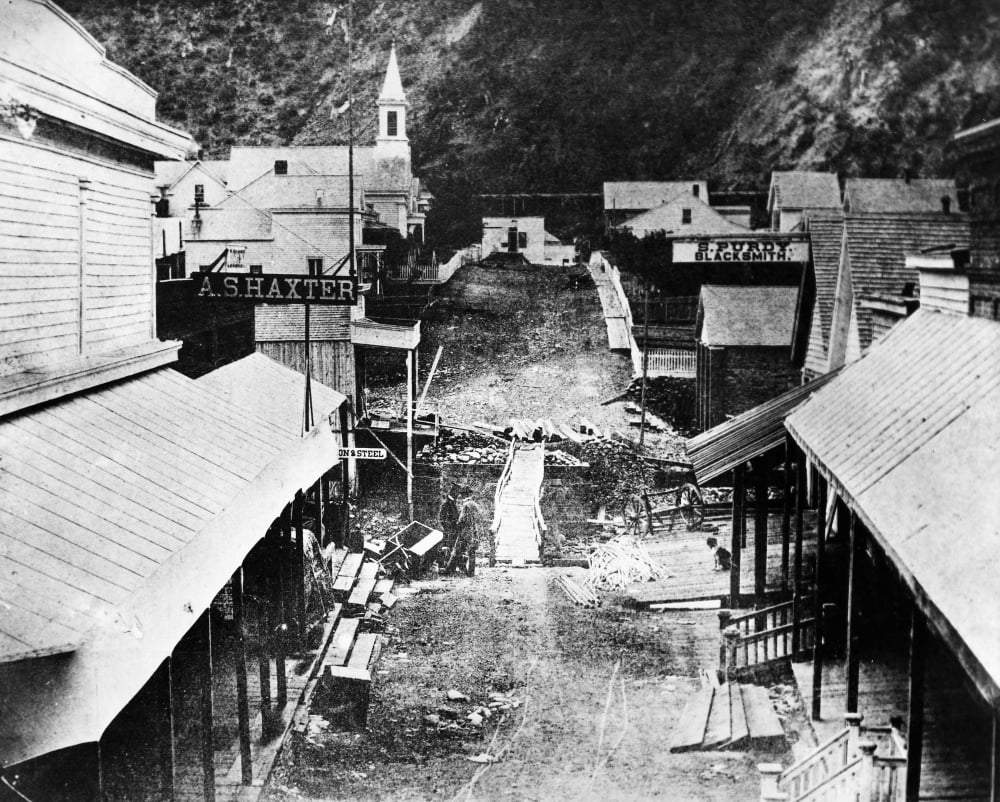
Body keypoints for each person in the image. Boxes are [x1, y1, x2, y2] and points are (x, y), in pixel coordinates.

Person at [445, 488, 493, 575]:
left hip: (465, 531)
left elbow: (462, 519)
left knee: (457, 550)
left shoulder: (466, 505)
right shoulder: (475, 505)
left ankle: (449, 570)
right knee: (472, 552)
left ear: (464, 495)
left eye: (462, 494)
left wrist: (457, 525)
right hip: (474, 531)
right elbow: (480, 517)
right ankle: (471, 572)